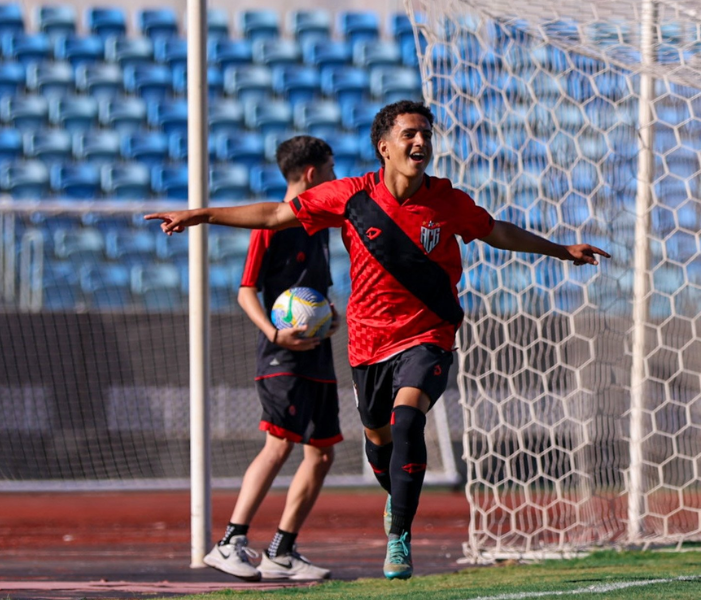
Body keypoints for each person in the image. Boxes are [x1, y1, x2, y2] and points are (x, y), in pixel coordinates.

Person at [147, 100, 610, 580]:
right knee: (378, 437)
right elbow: (274, 216)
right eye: (410, 134)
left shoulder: (447, 200)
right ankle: (393, 498)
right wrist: (202, 214)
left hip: (429, 333)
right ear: (383, 147)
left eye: (426, 134)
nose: (421, 142)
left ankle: (399, 539)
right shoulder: (350, 196)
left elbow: (497, 231)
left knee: (408, 419)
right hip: (368, 344)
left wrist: (560, 250)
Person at [201, 135, 341, 581]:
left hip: (317, 354)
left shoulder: (319, 228)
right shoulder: (271, 224)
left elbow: (316, 294)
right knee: (279, 445)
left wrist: (329, 318)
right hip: (282, 355)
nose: (336, 179)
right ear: (313, 174)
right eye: (332, 170)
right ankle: (229, 543)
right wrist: (276, 333)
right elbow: (246, 292)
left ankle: (282, 550)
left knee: (321, 454)